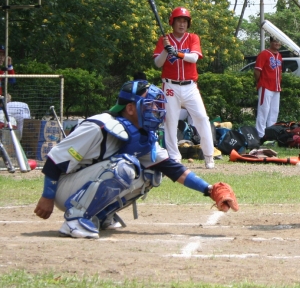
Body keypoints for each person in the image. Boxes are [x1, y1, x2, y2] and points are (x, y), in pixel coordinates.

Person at [33, 80, 238, 239]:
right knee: (125, 166)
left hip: (82, 185)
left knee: (151, 173)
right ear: (131, 108)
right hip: (65, 187)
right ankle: (76, 220)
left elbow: (172, 168)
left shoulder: (142, 135)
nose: (156, 110)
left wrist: (209, 189)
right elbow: (55, 159)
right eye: (150, 105)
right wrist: (47, 196)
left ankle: (99, 215)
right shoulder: (99, 126)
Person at [153, 7, 216, 168]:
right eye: (179, 21)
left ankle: (209, 155)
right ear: (172, 22)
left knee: (202, 118)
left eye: (185, 21)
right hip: (170, 86)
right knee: (170, 121)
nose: (182, 24)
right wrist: (166, 51)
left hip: (190, 86)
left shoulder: (192, 38)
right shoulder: (164, 40)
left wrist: (177, 53)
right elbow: (157, 63)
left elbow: (194, 58)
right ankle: (174, 157)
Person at [254, 37, 282, 140]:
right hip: (266, 86)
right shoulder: (264, 54)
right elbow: (257, 71)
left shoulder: (279, 56)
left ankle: (271, 134)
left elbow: (280, 71)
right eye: (275, 41)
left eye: (278, 42)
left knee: (274, 111)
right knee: (263, 111)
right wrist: (260, 82)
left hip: (276, 88)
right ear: (270, 42)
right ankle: (260, 134)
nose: (277, 43)